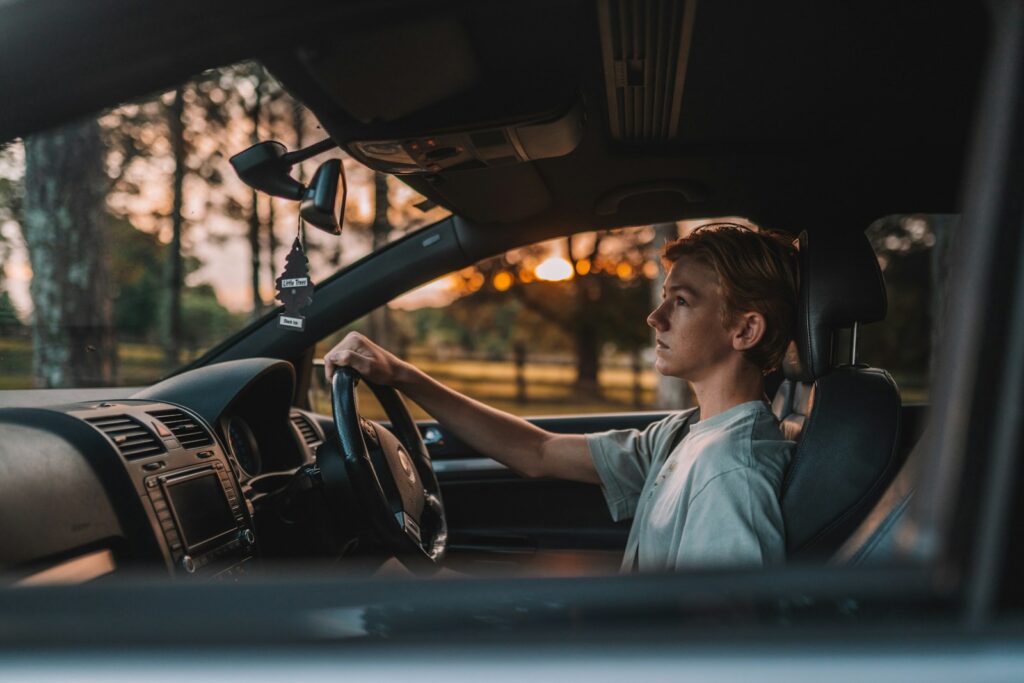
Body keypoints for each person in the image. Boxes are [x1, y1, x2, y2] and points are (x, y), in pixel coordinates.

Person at [323, 224, 799, 572]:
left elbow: (724, 644)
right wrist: (404, 376)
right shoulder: (684, 434)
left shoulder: (730, 473)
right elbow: (539, 451)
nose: (655, 318)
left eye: (681, 301)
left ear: (744, 329)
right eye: (664, 297)